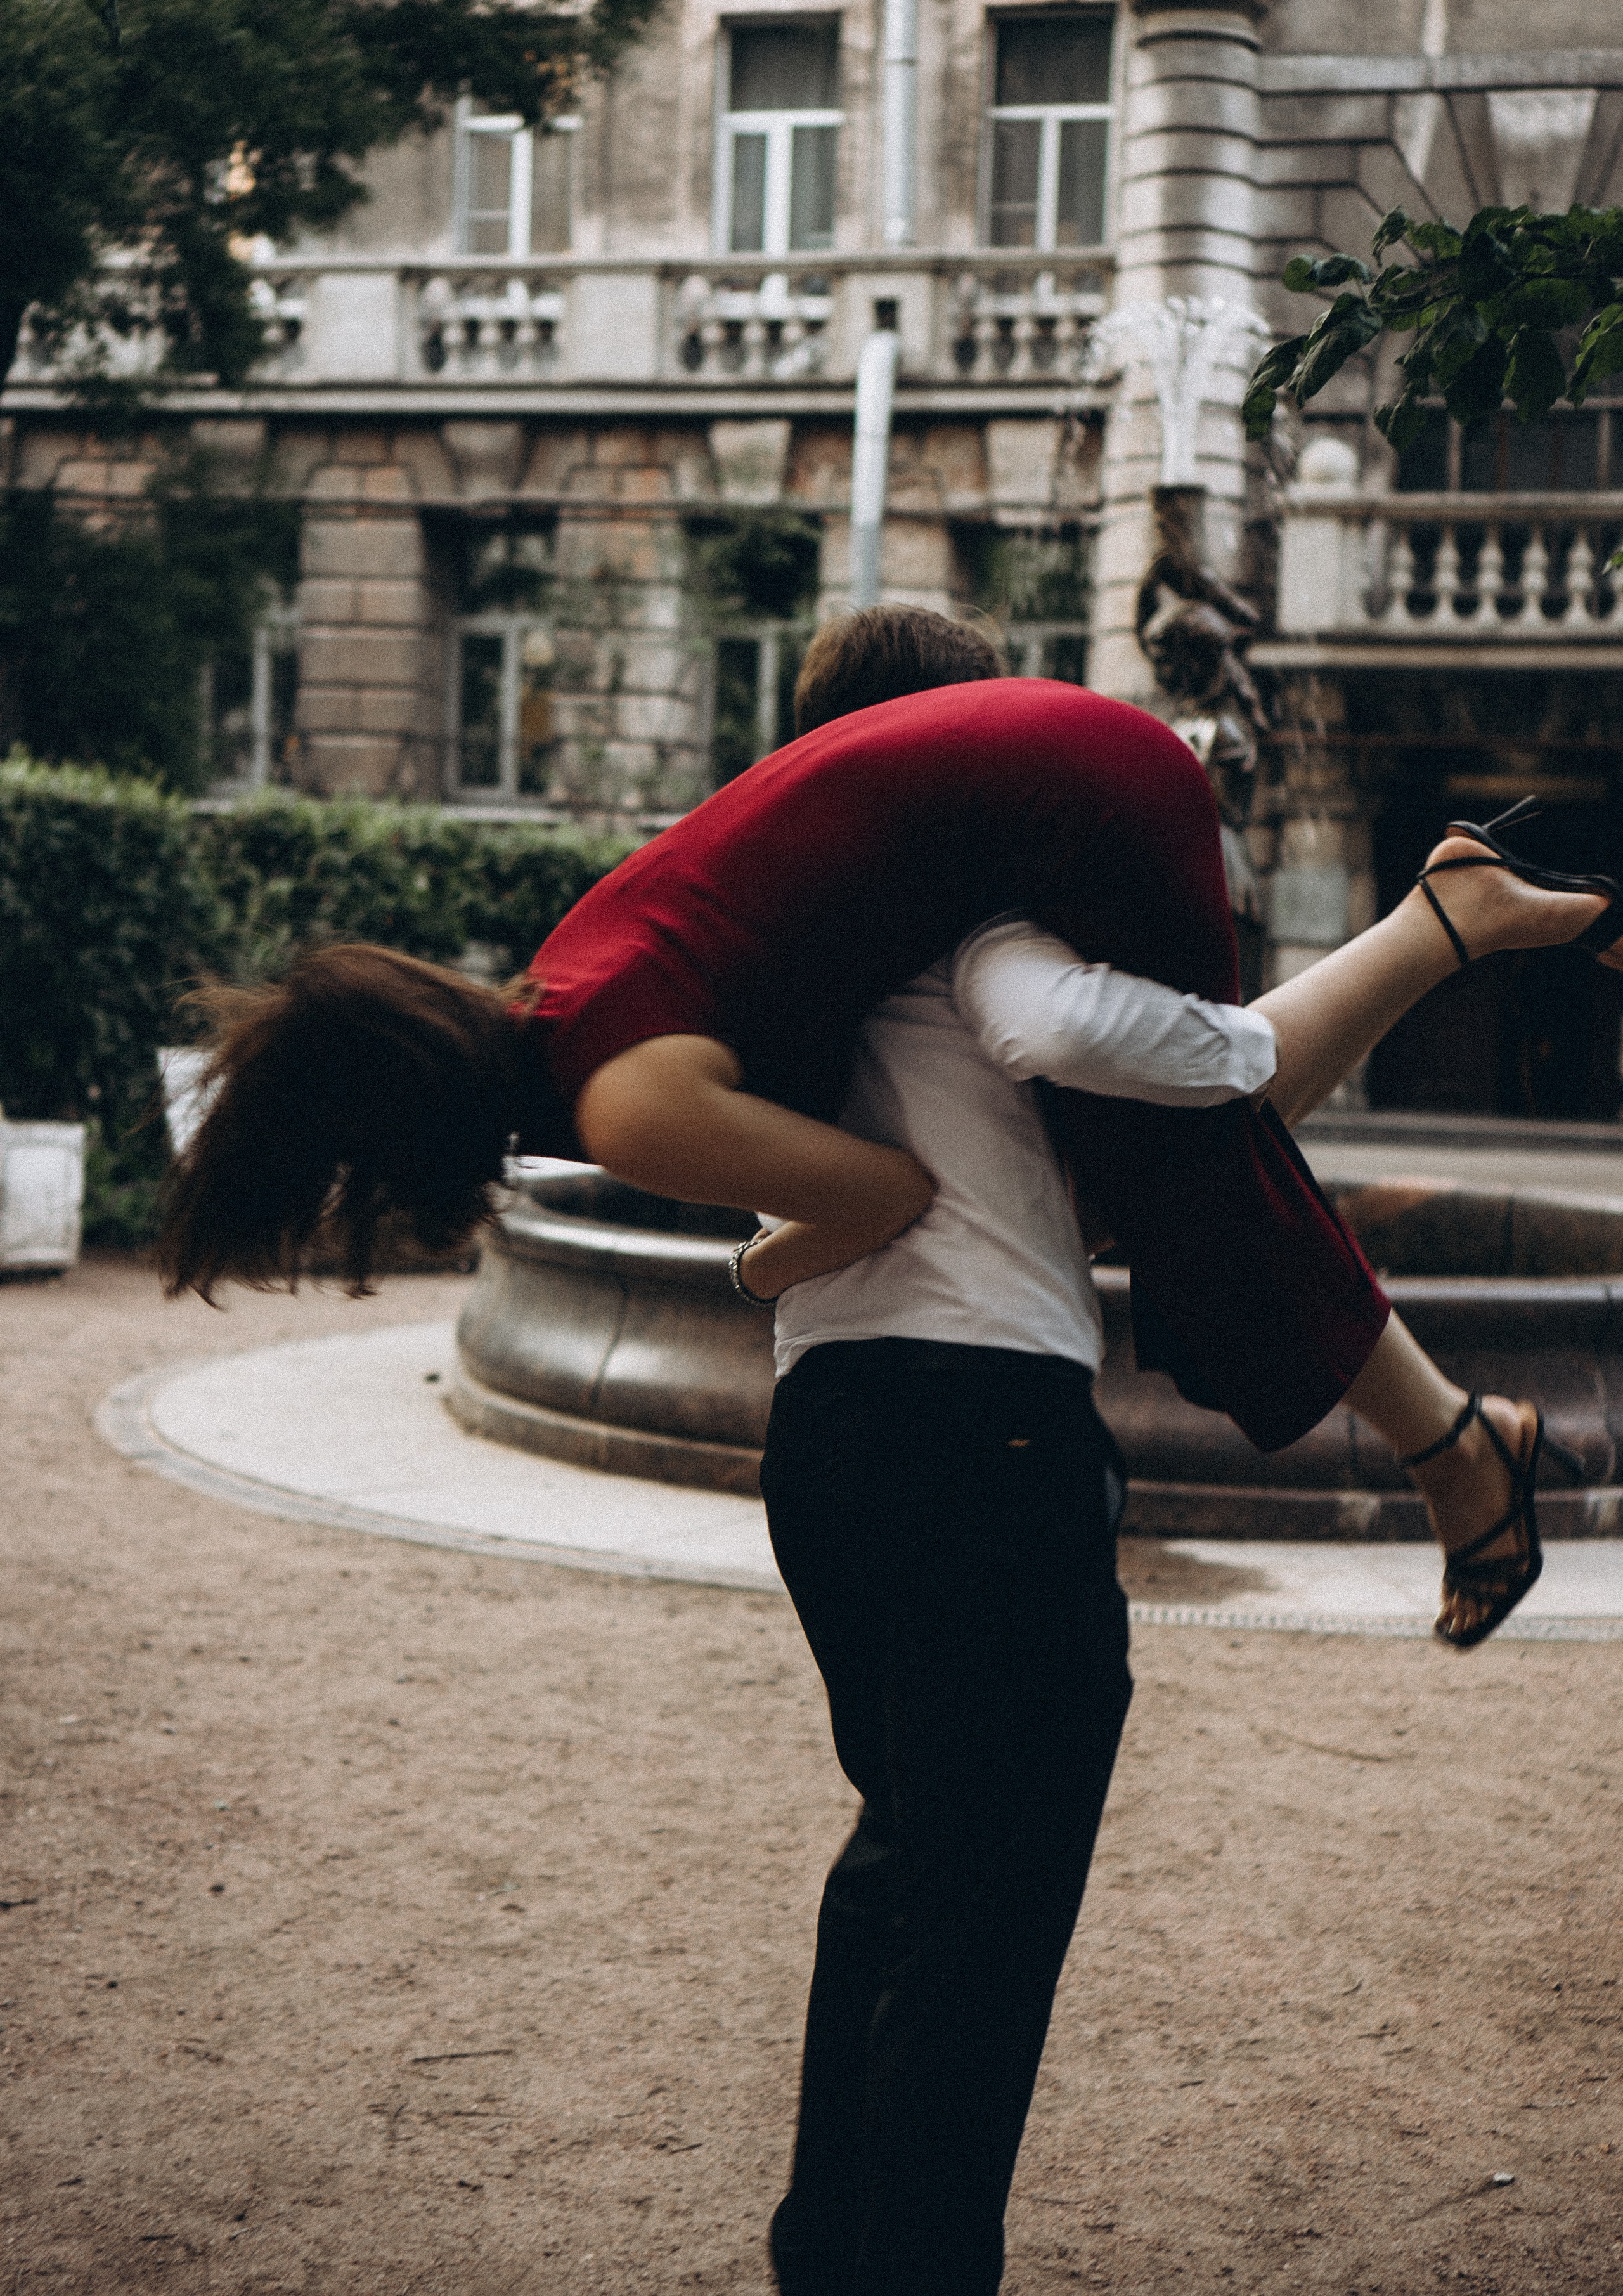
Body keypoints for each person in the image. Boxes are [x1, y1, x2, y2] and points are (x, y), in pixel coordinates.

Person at [160, 609, 1620, 1643]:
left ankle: (1450, 1436)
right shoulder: (564, 985)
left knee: (1174, 1145)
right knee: (1123, 1164)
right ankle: (1448, 950)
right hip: (1054, 771)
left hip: (1085, 797)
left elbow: (886, 1194)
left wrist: (749, 1268)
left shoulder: (621, 1097)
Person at [754, 910, 1276, 2296]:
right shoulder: (969, 918)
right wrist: (1248, 1040)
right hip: (982, 1434)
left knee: (905, 1863)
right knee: (976, 1931)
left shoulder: (815, 947)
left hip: (825, 1424)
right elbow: (1058, 1024)